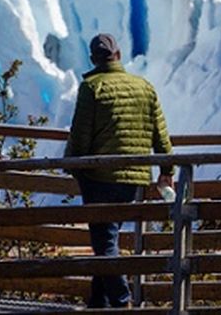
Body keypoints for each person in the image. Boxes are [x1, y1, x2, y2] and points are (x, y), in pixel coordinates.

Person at [65, 33, 174, 309]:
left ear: (93, 59)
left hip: (100, 177)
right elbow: (161, 137)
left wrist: (72, 165)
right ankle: (97, 303)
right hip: (135, 179)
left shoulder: (92, 87)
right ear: (120, 54)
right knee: (107, 240)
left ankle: (122, 301)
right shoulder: (144, 87)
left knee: (105, 244)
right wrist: (166, 170)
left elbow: (80, 136)